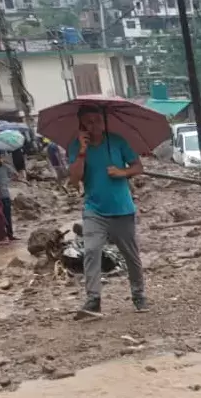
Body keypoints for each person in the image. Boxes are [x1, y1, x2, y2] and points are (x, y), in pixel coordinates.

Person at [67, 105, 146, 320]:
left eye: (97, 120)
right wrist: (82, 153)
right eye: (89, 122)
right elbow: (74, 181)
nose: (94, 125)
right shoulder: (75, 147)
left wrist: (123, 172)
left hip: (122, 209)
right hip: (94, 210)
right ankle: (93, 300)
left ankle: (139, 294)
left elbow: (138, 166)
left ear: (103, 121)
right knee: (91, 251)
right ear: (82, 124)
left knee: (131, 255)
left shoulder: (117, 141)